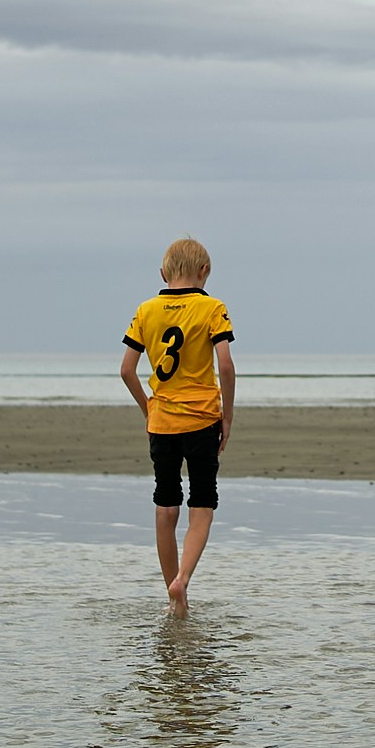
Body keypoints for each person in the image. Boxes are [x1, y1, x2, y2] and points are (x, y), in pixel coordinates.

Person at [121, 237, 236, 608]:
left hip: (163, 422)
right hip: (202, 419)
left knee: (165, 505)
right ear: (205, 272)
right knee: (202, 503)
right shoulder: (212, 308)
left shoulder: (146, 310)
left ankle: (173, 595)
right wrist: (227, 416)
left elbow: (126, 370)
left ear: (163, 272)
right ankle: (183, 579)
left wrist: (148, 409)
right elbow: (226, 365)